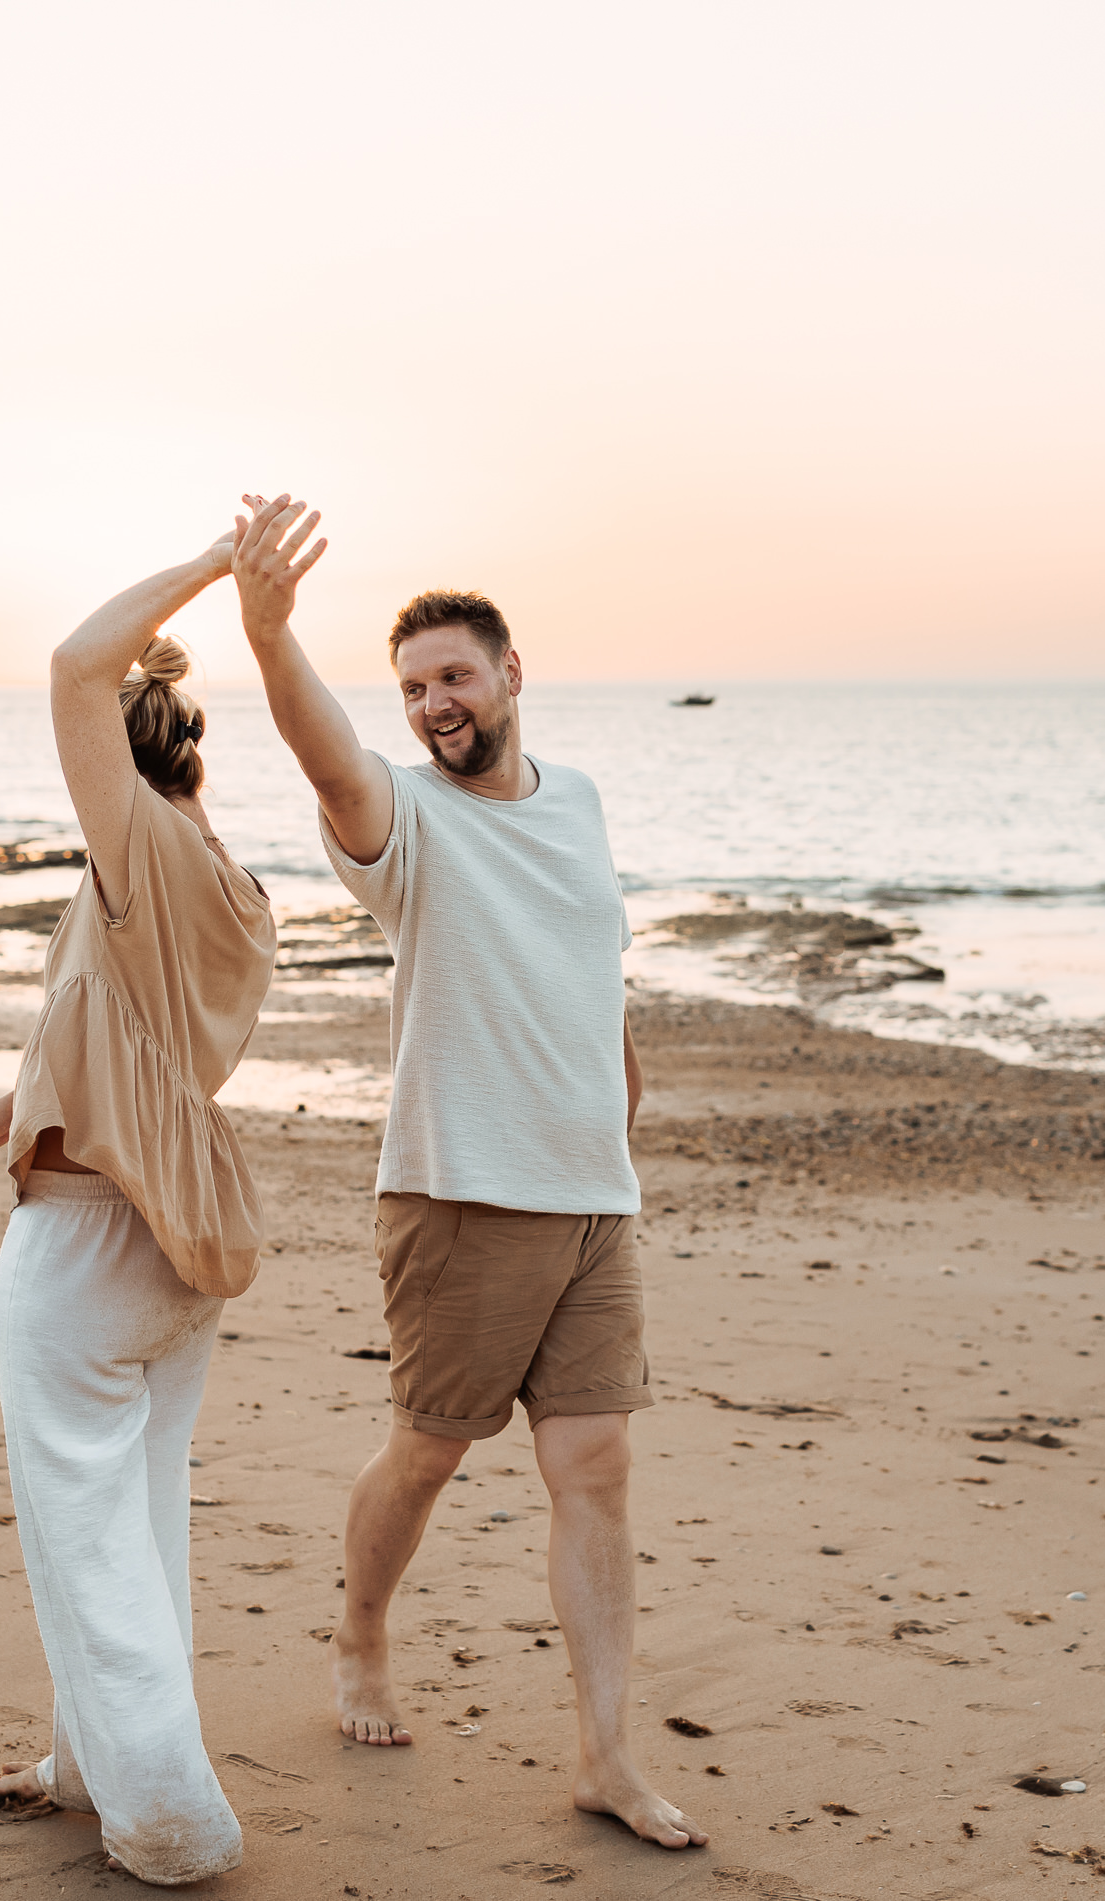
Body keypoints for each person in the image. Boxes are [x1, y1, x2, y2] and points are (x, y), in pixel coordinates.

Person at [231, 494, 707, 1851]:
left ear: (510, 673)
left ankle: (607, 1753)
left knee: (597, 1465)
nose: (434, 701)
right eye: (413, 686)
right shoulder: (406, 821)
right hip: (461, 1195)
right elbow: (331, 758)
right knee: (431, 1451)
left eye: (453, 674)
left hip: (593, 1200)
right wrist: (272, 639)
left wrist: (621, 1078)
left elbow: (587, 946)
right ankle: (361, 1632)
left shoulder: (586, 800)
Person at [0, 524, 282, 1886]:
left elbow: (74, 662)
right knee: (137, 1518)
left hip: (84, 1247)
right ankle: (92, 1763)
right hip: (170, 1254)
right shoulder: (232, 887)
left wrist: (211, 562)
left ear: (123, 756)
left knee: (86, 1537)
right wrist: (13, 1102)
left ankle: (170, 1819)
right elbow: (129, 1042)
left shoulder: (132, 850)